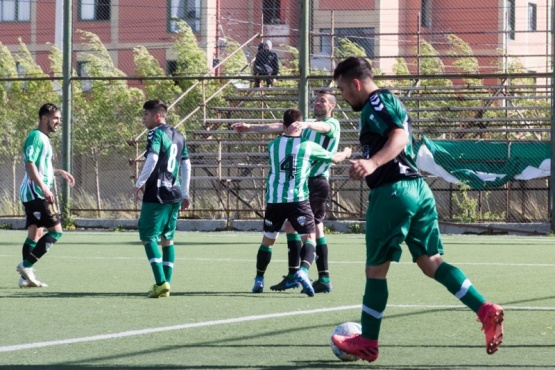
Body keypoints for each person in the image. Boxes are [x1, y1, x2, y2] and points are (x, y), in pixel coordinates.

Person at [330, 56, 504, 362]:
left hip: (394, 191)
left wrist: (372, 162)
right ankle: (484, 309)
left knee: (375, 270)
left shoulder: (376, 104)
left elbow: (399, 135)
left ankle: (368, 341)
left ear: (356, 83)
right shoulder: (386, 101)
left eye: (343, 89)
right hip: (418, 190)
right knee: (430, 262)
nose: (343, 97)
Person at [232, 90, 340, 294]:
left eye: (323, 100)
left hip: (315, 181)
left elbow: (324, 127)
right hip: (303, 183)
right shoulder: (306, 125)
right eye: (316, 99)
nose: (318, 102)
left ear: (332, 106)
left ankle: (315, 277)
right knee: (299, 226)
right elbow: (282, 127)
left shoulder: (330, 123)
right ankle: (300, 275)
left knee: (312, 229)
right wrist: (250, 128)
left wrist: (307, 124)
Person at [134, 99, 191, 298]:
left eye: (146, 115)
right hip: (174, 193)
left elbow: (153, 158)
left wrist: (139, 182)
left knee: (148, 237)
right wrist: (185, 192)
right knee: (168, 239)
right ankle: (166, 284)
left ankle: (160, 282)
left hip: (156, 193)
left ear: (157, 116)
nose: (144, 119)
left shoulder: (155, 133)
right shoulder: (179, 135)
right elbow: (186, 165)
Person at [16, 103, 75, 288]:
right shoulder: (36, 136)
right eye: (55, 118)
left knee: (36, 232)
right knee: (56, 232)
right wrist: (45, 188)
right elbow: (30, 164)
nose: (58, 122)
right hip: (36, 192)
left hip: (34, 191)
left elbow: (42, 167)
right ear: (44, 118)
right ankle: (26, 266)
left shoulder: (44, 138)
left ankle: (26, 278)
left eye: (59, 118)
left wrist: (59, 172)